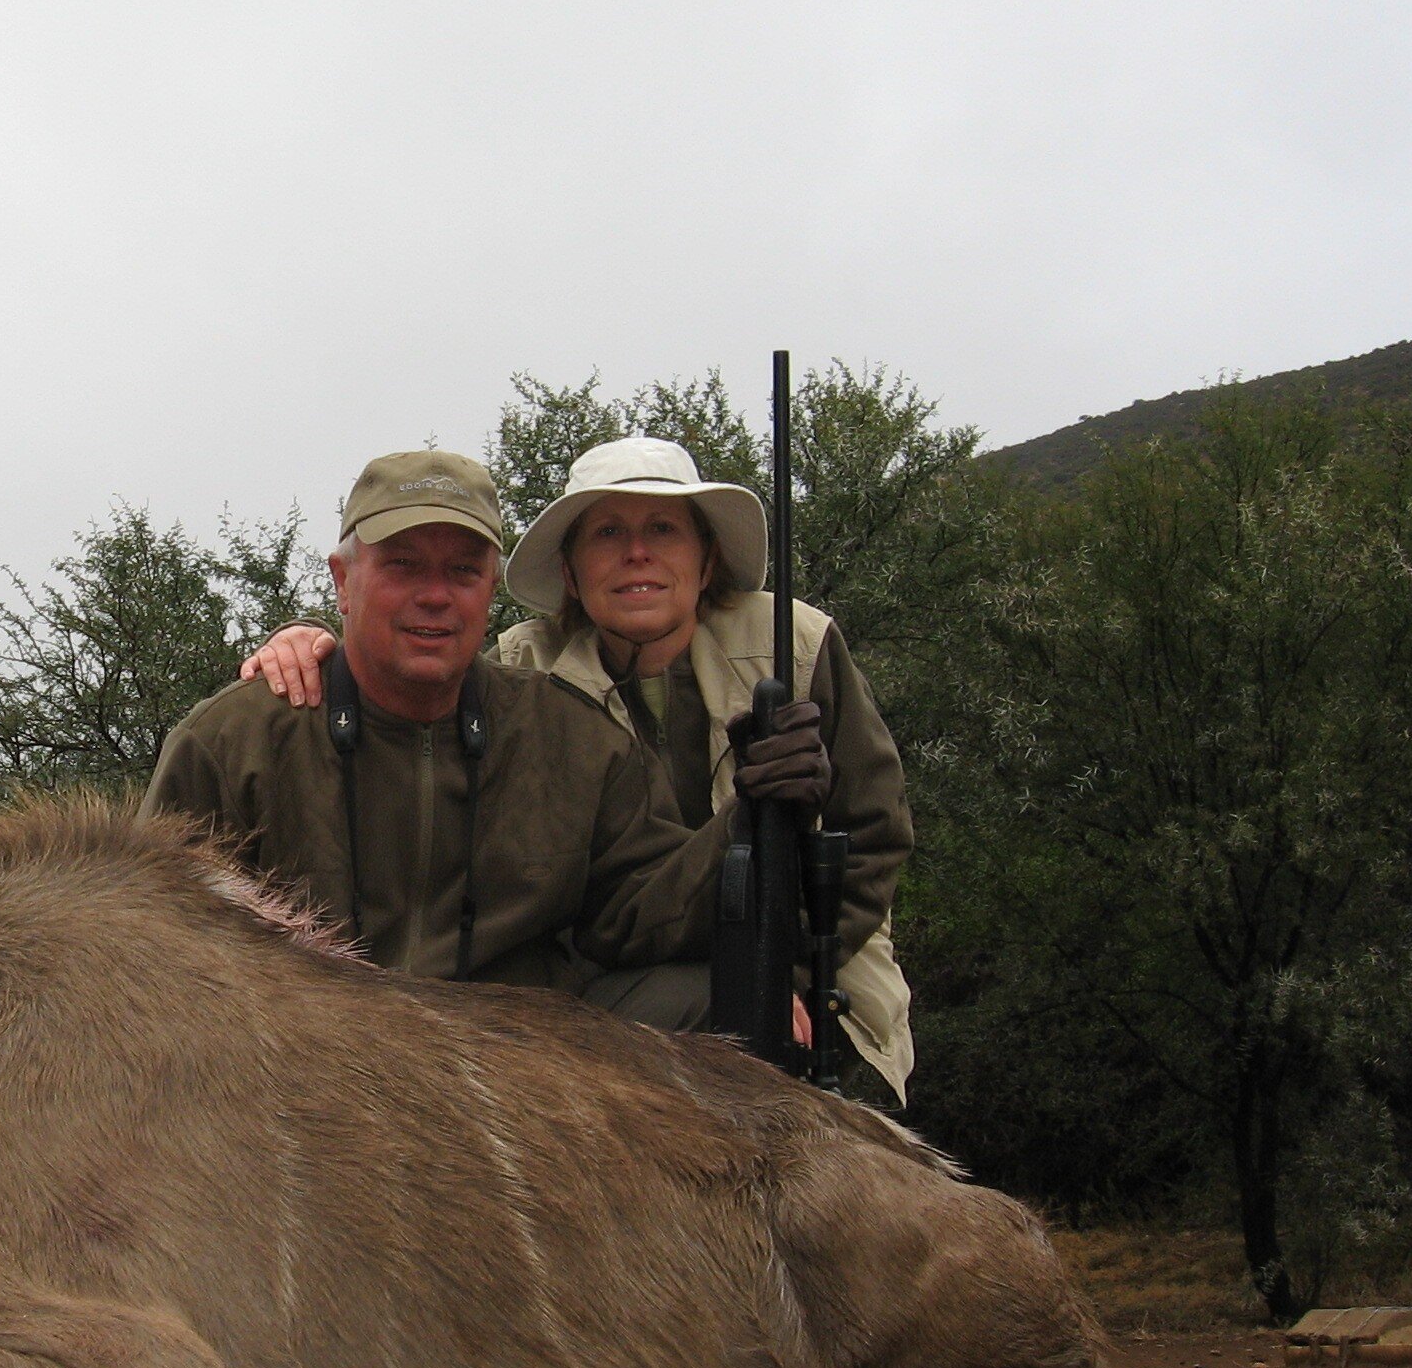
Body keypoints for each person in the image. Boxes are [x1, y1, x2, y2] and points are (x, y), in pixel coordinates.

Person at [241, 436, 914, 1100]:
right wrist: (310, 640)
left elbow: (872, 835)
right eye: (608, 532)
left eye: (663, 529)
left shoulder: (795, 645)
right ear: (570, 571)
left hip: (812, 968)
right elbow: (404, 665)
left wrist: (780, 971)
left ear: (706, 560)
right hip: (614, 984)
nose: (637, 552)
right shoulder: (520, 669)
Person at [141, 449, 831, 1003]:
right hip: (301, 1084)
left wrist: (751, 821)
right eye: (403, 565)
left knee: (703, 993)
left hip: (513, 1081)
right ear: (342, 581)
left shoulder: (573, 738)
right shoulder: (235, 740)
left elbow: (638, 913)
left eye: (463, 571)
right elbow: (150, 941)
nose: (435, 595)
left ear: (490, 588)